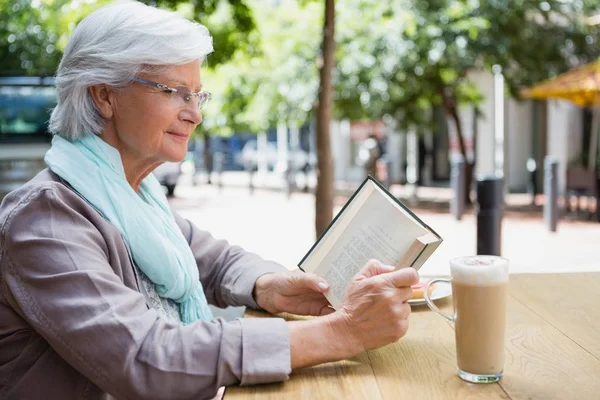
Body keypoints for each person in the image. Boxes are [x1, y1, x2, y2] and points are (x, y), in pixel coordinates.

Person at [0, 1, 418, 399]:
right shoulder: (45, 219)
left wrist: (270, 286)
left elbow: (215, 262)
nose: (195, 114)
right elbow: (146, 358)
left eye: (197, 95)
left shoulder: (132, 195)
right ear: (104, 95)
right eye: (174, 91)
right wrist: (341, 333)